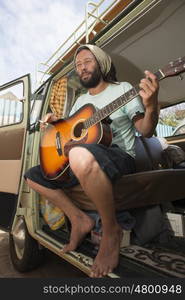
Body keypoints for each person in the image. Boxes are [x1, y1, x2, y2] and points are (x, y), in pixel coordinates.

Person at [25, 44, 159, 278]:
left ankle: (111, 230)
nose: (82, 68)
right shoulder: (80, 100)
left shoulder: (123, 90)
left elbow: (145, 130)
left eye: (87, 61)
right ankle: (79, 219)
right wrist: (55, 122)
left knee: (78, 153)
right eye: (78, 65)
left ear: (101, 62)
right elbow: (69, 131)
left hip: (119, 156)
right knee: (32, 176)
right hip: (82, 156)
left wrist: (151, 107)